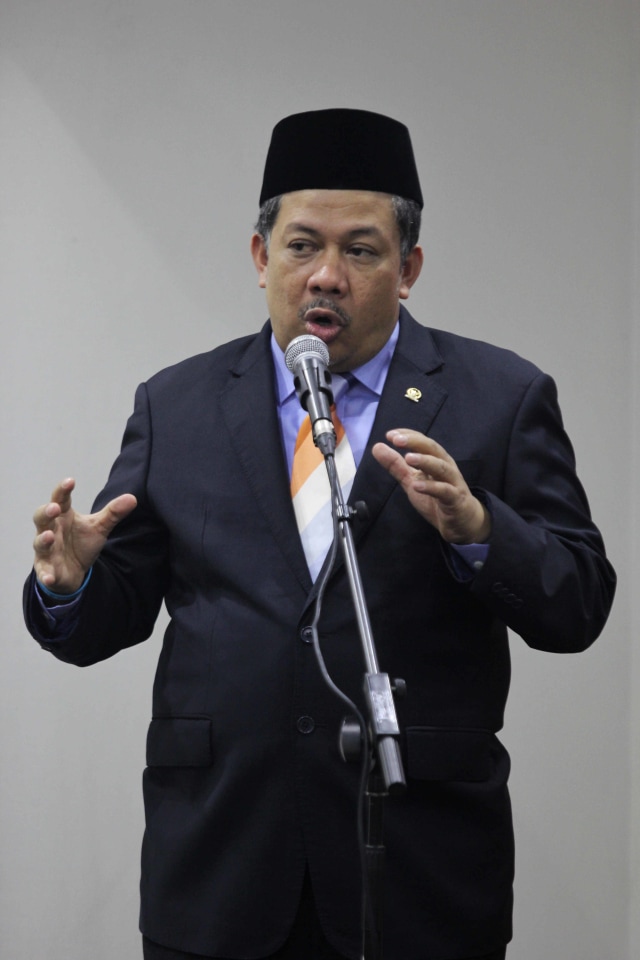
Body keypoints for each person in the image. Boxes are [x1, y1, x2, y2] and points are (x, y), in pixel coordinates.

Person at [24, 109, 616, 960]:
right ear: (262, 257)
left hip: (421, 872)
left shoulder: (499, 396)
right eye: (302, 246)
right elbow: (106, 622)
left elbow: (580, 603)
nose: (326, 276)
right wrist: (72, 584)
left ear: (408, 268)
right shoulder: (177, 406)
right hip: (222, 865)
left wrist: (481, 528)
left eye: (362, 251)